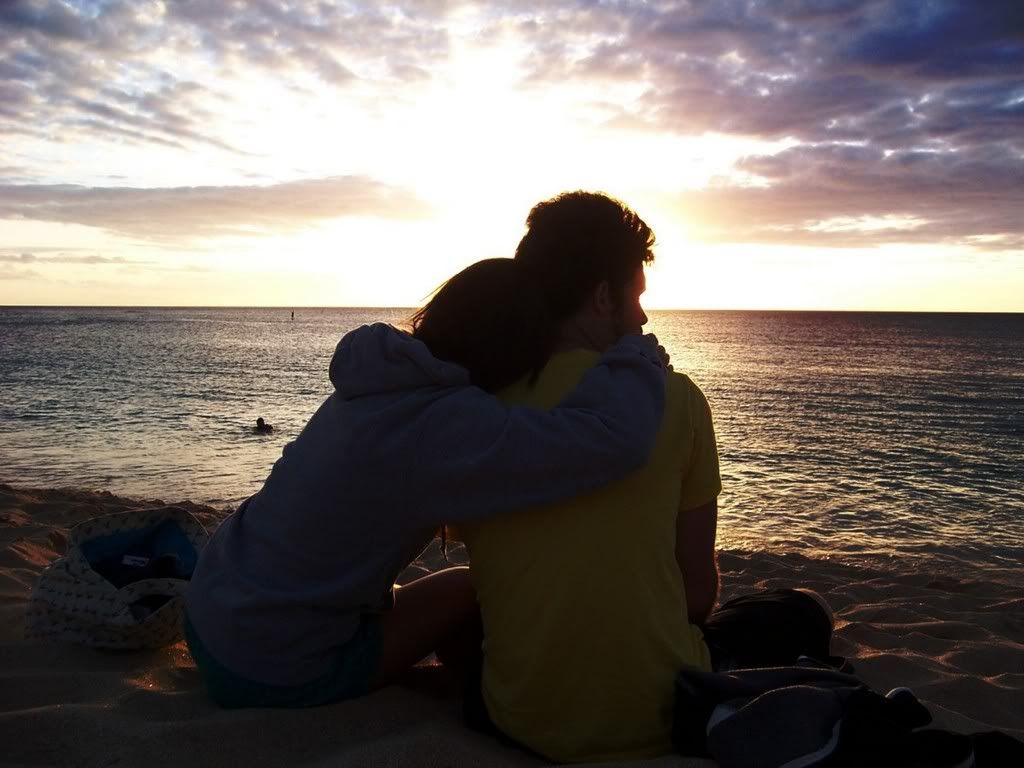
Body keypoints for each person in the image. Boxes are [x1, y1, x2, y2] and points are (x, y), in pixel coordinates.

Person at [184, 257, 669, 709]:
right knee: (468, 589)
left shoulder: (383, 378)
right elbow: (614, 441)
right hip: (268, 663)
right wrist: (637, 355)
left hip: (211, 605)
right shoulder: (445, 422)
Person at [458, 192, 834, 762]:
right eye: (635, 296)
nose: (641, 316)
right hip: (659, 715)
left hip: (518, 716)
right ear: (604, 296)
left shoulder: (477, 404)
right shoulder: (675, 399)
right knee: (802, 610)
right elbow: (696, 597)